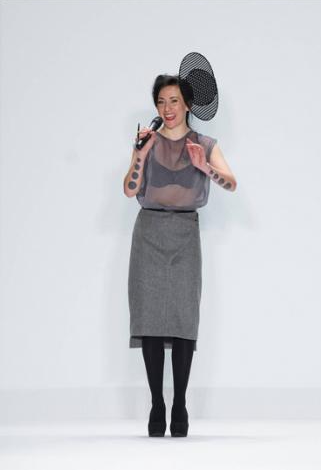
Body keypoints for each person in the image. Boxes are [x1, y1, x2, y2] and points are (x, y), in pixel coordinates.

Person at [123, 73, 237, 437]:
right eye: (161, 101)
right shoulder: (146, 139)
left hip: (186, 232)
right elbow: (130, 189)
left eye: (173, 101)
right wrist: (140, 154)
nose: (167, 108)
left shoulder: (204, 144)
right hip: (149, 232)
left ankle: (180, 404)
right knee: (150, 318)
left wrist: (205, 167)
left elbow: (231, 182)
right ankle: (157, 403)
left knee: (184, 318)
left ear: (187, 104)